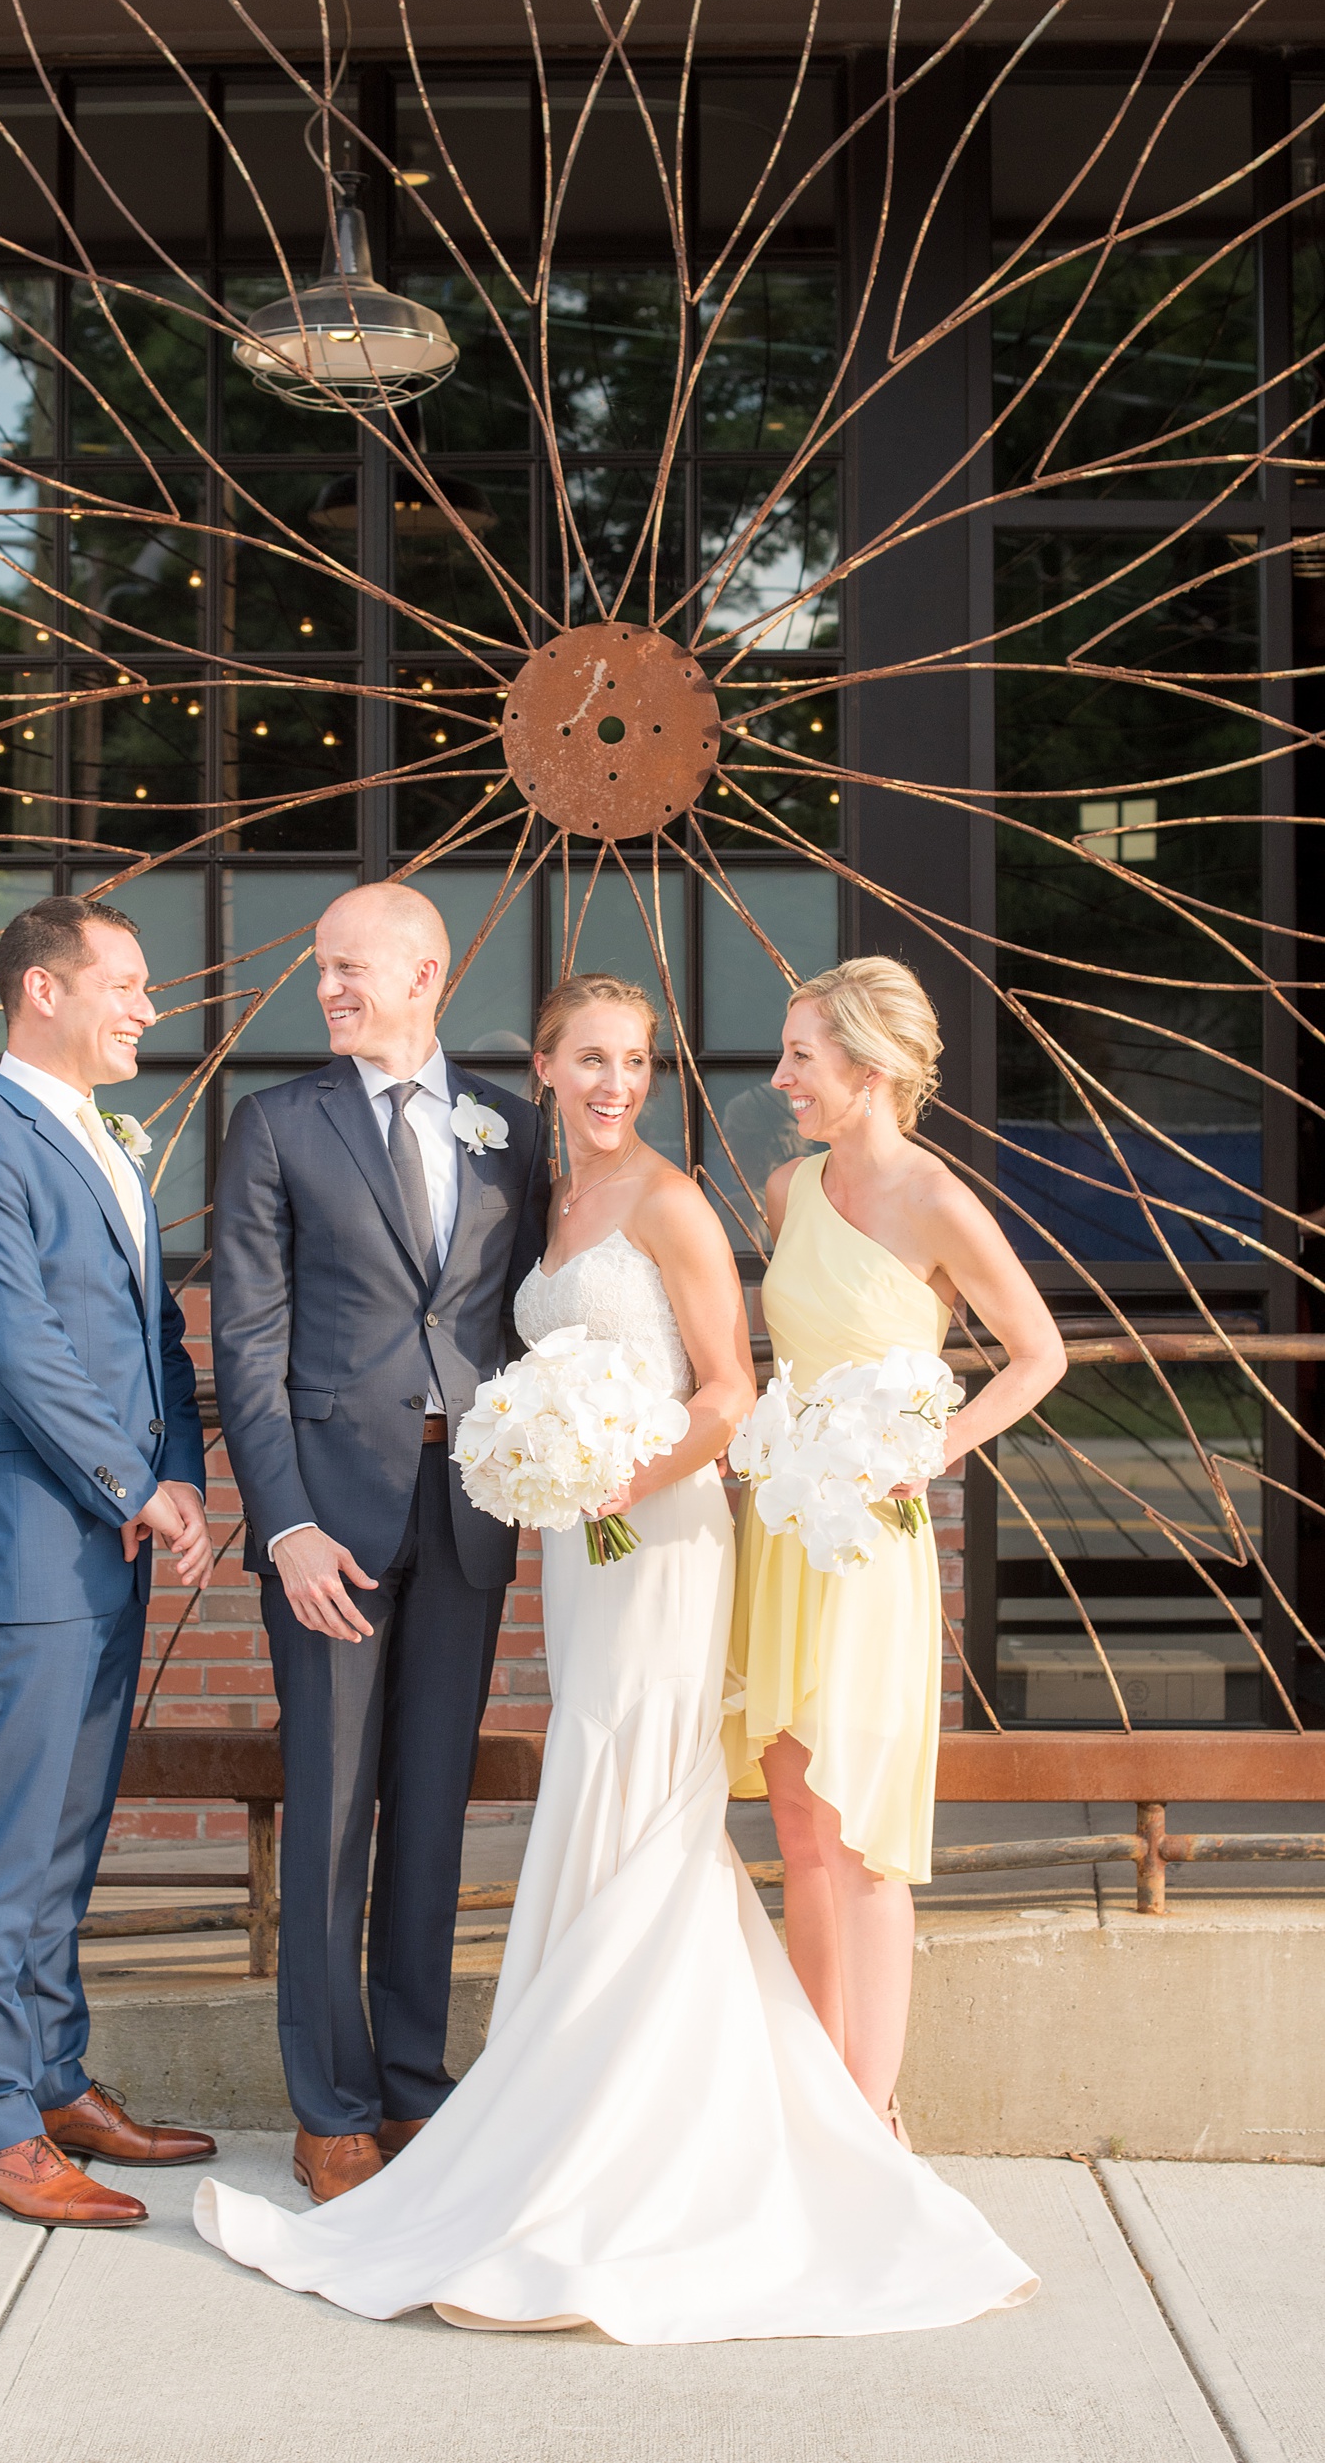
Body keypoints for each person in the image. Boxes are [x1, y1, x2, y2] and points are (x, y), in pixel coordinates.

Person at [193, 972, 1038, 2340]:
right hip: (584, 1555)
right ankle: (585, 2092)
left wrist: (615, 1471)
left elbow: (728, 1388)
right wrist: (547, 1459)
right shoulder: (552, 1191)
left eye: (636, 1060)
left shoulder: (672, 1198)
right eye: (590, 1058)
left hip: (665, 1535)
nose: (615, 1083)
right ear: (541, 1067)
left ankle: (676, 2123)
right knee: (596, 1776)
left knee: (660, 1795)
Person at [210, 881, 551, 2203]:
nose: (328, 989)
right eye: (320, 970)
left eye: (351, 968)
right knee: (335, 1804)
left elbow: (509, 1320)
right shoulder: (275, 1125)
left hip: (464, 1506)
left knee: (428, 1810)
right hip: (327, 1523)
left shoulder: (511, 1131)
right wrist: (283, 1521)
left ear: (426, 974)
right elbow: (246, 1342)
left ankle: (417, 2087)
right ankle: (332, 2103)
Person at [0, 893, 218, 2229]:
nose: (150, 1007)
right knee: (4, 1835)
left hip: (115, 1542)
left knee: (69, 1833)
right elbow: (20, 1347)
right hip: (29, 1545)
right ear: (43, 989)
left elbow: (154, 1334)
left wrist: (186, 1478)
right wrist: (133, 1483)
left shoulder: (106, 1144)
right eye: (128, 983)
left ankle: (52, 2076)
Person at [726, 955, 1068, 2143]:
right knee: (795, 1824)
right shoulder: (785, 1190)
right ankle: (817, 2095)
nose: (780, 1079)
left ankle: (869, 2112)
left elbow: (1035, 1354)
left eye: (799, 1058)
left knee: (860, 1829)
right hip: (781, 1534)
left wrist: (927, 1449)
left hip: (871, 1543)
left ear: (867, 1070)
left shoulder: (935, 1199)